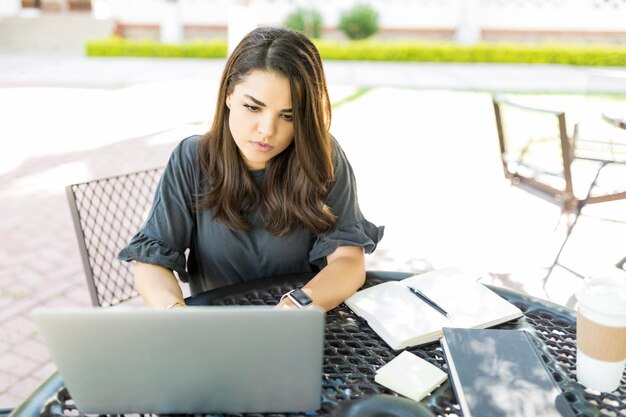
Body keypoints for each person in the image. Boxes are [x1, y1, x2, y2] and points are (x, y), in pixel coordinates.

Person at [118, 26, 383, 311]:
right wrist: (176, 315)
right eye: (253, 108)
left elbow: (348, 261)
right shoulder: (192, 158)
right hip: (217, 331)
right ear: (229, 95)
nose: (267, 130)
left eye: (288, 115)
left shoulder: (321, 156)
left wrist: (295, 308)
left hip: (300, 325)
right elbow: (150, 263)